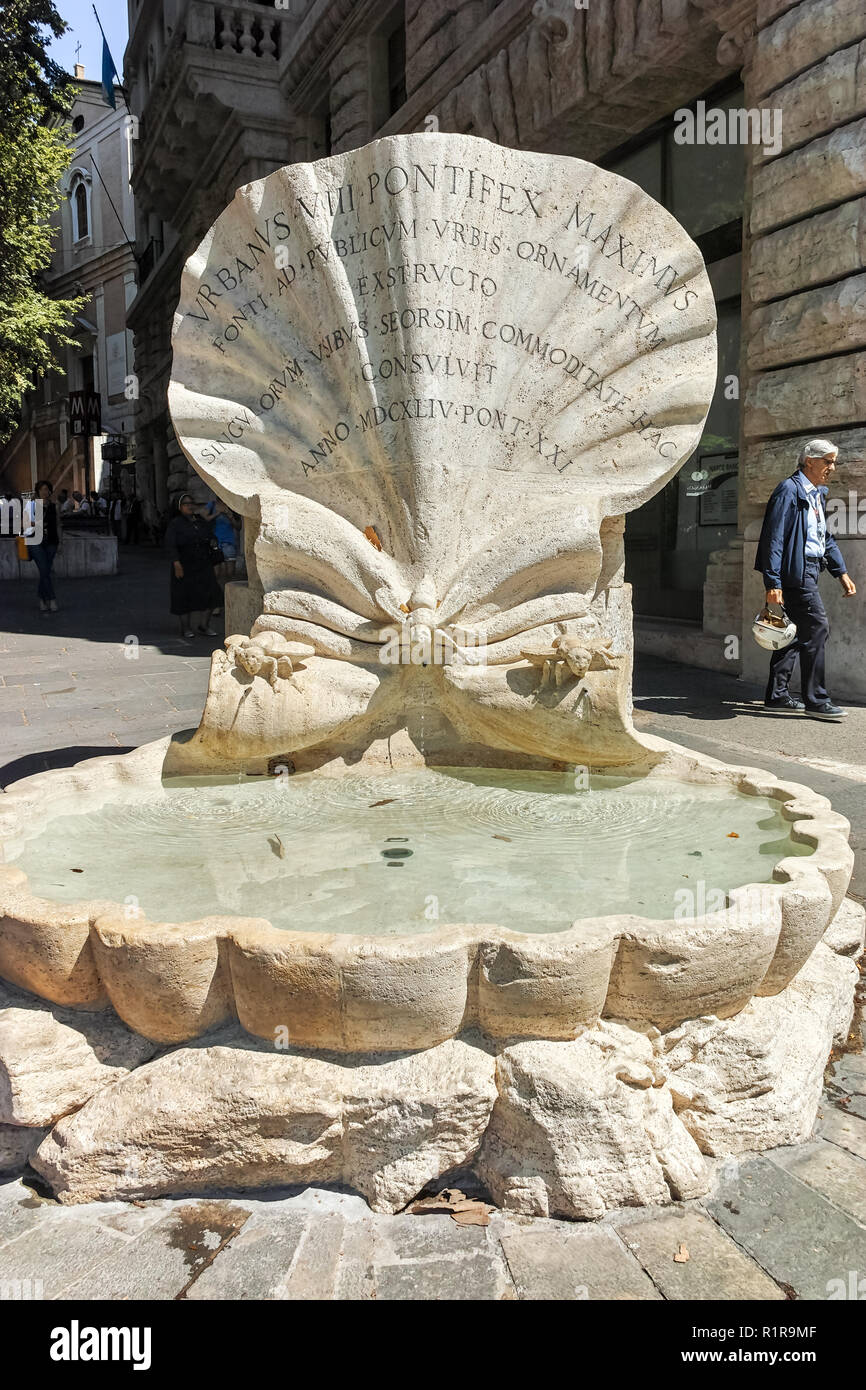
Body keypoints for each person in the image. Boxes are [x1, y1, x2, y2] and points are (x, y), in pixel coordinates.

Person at [754, 439, 857, 721]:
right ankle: (816, 700)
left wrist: (841, 571)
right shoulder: (789, 490)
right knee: (817, 628)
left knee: (795, 633)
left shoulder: (815, 493)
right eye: (828, 461)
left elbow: (824, 537)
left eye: (833, 462)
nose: (832, 468)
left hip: (810, 568)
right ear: (809, 461)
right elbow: (773, 539)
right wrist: (772, 584)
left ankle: (777, 696)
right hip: (795, 573)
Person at [164, 493, 222, 640]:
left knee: (212, 593)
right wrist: (176, 563)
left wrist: (213, 544)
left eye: (192, 503)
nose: (190, 506)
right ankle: (186, 628)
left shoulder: (200, 521)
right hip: (184, 565)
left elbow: (210, 536)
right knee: (184, 597)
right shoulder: (175, 524)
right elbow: (170, 544)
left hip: (203, 564)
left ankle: (204, 625)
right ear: (179, 507)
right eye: (186, 503)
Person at [23, 479, 62, 614]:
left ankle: (41, 598)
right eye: (42, 489)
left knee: (45, 572)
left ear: (50, 491)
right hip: (35, 540)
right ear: (38, 491)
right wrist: (37, 524)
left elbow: (58, 525)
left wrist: (60, 542)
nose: (45, 492)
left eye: (47, 489)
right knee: (44, 569)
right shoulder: (32, 505)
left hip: (51, 541)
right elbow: (25, 523)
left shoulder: (54, 506)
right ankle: (51, 600)